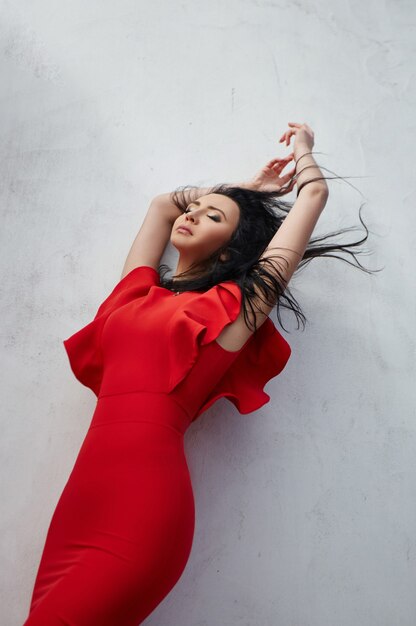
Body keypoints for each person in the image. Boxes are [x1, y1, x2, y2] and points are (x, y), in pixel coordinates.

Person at [23, 122, 374, 625]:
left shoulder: (232, 309)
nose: (191, 214)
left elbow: (314, 195)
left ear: (229, 251)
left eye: (212, 218)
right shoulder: (136, 294)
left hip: (143, 511)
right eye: (197, 209)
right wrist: (241, 192)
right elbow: (163, 204)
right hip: (80, 501)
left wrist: (304, 151)